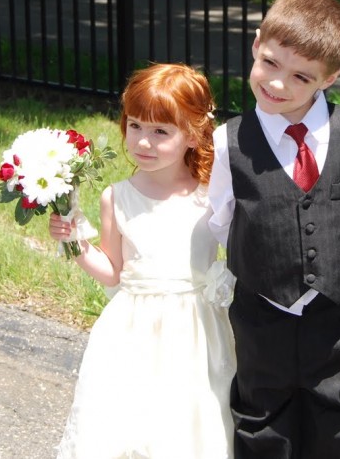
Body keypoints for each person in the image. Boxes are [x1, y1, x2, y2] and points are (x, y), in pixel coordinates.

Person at [208, 0, 340, 458]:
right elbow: (223, 219)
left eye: (301, 76)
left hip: (336, 314)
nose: (278, 84)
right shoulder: (229, 141)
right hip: (261, 312)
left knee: (337, 419)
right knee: (261, 420)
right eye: (270, 64)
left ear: (330, 78)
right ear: (256, 43)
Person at [49, 63, 236, 458]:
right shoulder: (117, 198)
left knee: (191, 421)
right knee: (131, 424)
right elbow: (113, 272)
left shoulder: (212, 193)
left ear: (192, 134)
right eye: (135, 126)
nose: (143, 142)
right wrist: (77, 245)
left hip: (197, 330)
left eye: (160, 131)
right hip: (134, 330)